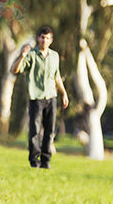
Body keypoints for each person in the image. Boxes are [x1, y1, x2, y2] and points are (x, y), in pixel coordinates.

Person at [11, 26, 69, 169]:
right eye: (42, 37)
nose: (44, 40)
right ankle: (34, 160)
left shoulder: (54, 56)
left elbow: (57, 76)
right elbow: (15, 70)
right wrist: (22, 56)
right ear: (38, 38)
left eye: (47, 38)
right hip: (36, 97)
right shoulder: (31, 55)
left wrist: (64, 93)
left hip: (51, 96)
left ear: (51, 40)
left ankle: (45, 160)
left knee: (50, 131)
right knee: (34, 131)